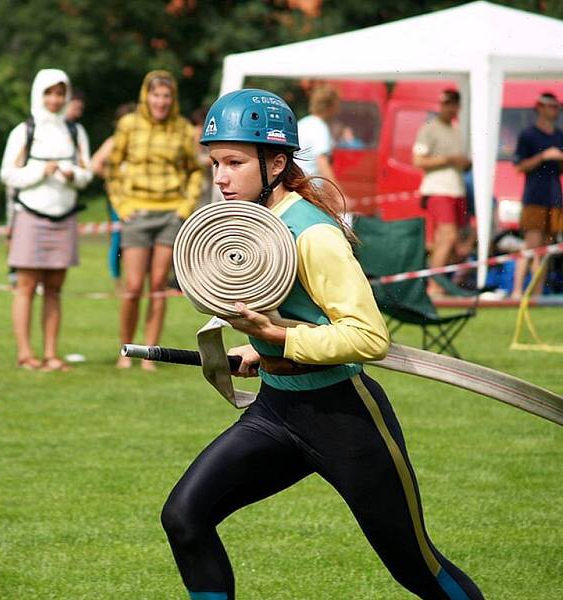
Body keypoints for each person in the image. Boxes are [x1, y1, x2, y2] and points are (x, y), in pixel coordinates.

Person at [160, 89, 484, 600]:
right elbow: (297, 322)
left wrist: (280, 339)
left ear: (276, 162)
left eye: (234, 162)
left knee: (415, 566)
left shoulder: (312, 235)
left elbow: (368, 336)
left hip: (344, 419)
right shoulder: (256, 224)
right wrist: (262, 351)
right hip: (276, 411)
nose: (219, 178)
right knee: (184, 517)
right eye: (215, 162)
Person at [107, 70, 202, 371]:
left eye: (166, 96)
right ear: (145, 96)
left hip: (170, 213)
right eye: (155, 95)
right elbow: (111, 169)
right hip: (137, 212)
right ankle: (126, 349)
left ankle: (150, 354)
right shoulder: (129, 125)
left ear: (172, 99)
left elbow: (195, 169)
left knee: (159, 285)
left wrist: (185, 206)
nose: (160, 101)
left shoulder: (182, 128)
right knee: (134, 286)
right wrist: (121, 206)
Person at [0, 69, 92, 372]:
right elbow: (7, 174)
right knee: (25, 287)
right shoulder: (23, 131)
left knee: (54, 288)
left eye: (60, 93)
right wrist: (41, 171)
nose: (55, 99)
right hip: (30, 215)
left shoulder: (75, 132)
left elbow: (86, 173)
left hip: (64, 216)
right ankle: (25, 354)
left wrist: (70, 174)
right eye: (49, 93)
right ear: (39, 94)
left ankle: (51, 353)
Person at [412, 89, 471, 297]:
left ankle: (437, 283)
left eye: (453, 103)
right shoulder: (429, 129)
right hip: (438, 190)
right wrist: (449, 159)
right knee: (448, 237)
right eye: (446, 103)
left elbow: (461, 162)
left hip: (457, 190)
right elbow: (418, 161)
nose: (450, 108)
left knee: (451, 242)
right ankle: (434, 285)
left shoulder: (457, 131)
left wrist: (464, 163)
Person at [510, 92, 563, 299]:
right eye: (552, 106)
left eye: (557, 107)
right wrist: (543, 156)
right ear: (540, 108)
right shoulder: (528, 135)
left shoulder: (559, 135)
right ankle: (516, 291)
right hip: (534, 198)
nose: (556, 110)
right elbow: (519, 167)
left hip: (554, 198)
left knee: (546, 249)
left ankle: (537, 293)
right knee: (531, 246)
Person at [91, 102, 136, 289]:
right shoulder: (113, 142)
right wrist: (113, 179)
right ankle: (117, 278)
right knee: (119, 239)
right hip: (119, 199)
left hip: (140, 199)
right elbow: (95, 164)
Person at [295, 85, 343, 210]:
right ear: (330, 105)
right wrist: (338, 195)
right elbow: (322, 162)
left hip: (297, 184)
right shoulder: (319, 128)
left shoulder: (304, 123)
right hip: (307, 188)